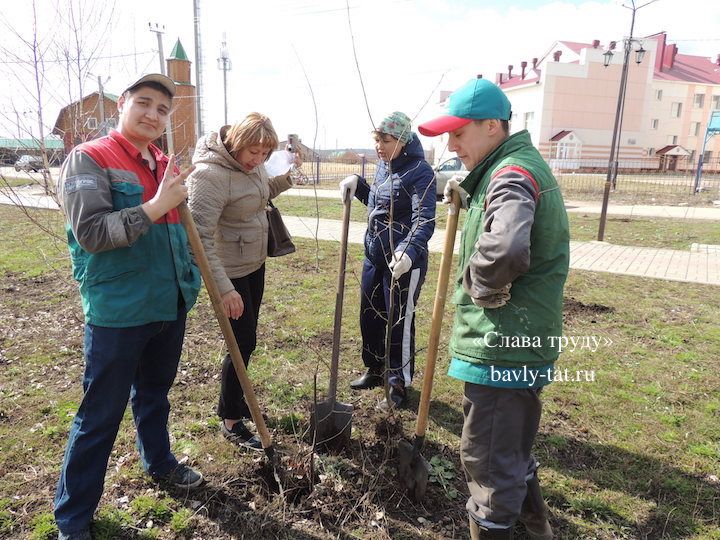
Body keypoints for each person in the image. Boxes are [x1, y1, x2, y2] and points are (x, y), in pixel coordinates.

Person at [418, 77, 569, 540]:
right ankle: (536, 526)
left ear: (491, 127)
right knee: (511, 446)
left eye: (459, 133)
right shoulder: (514, 167)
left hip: (502, 344)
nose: (452, 143)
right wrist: (470, 197)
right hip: (520, 340)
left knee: (486, 458)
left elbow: (504, 249)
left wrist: (475, 286)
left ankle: (495, 526)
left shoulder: (510, 176)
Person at [54, 74, 203, 540]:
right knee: (100, 414)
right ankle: (74, 517)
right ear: (122, 104)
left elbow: (180, 234)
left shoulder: (163, 162)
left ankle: (158, 463)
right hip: (119, 310)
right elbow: (93, 234)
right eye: (144, 103)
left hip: (167, 304)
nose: (153, 115)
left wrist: (191, 282)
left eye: (162, 109)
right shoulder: (90, 158)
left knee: (155, 393)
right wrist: (158, 205)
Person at [187, 113, 294, 450]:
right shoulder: (209, 175)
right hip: (229, 272)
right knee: (241, 342)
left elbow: (259, 194)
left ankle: (236, 401)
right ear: (235, 142)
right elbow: (198, 238)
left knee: (247, 340)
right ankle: (231, 419)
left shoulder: (253, 166)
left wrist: (288, 179)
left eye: (264, 154)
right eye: (253, 152)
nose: (258, 160)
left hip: (253, 263)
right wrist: (225, 289)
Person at [339, 112, 436, 410]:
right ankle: (375, 368)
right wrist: (360, 185)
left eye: (386, 140)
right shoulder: (384, 165)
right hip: (375, 255)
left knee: (398, 322)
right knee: (370, 314)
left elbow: (424, 218)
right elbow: (380, 205)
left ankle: (398, 383)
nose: (379, 146)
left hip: (405, 261)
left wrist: (408, 251)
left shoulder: (420, 171)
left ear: (403, 141)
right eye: (377, 139)